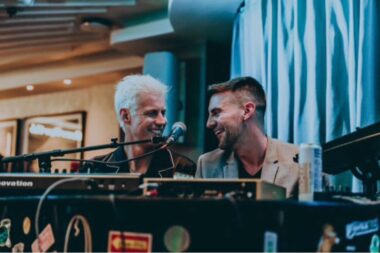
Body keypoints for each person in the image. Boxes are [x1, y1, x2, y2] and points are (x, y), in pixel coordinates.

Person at [196, 76, 299, 198]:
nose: (209, 124)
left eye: (216, 113)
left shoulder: (301, 162)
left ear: (246, 111)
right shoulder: (207, 164)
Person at [81, 74, 196, 177]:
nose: (162, 121)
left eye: (163, 112)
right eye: (152, 113)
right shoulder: (94, 169)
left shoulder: (183, 167)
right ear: (126, 116)